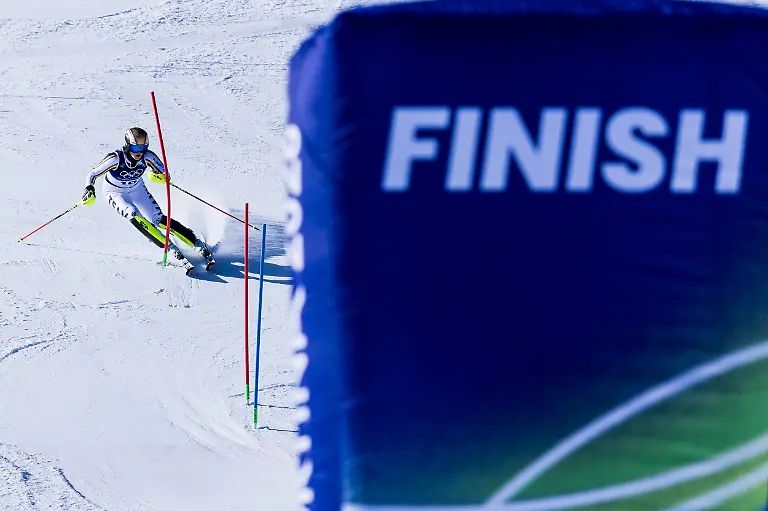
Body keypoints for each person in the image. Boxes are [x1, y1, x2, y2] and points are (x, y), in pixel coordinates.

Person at [81, 127, 214, 274]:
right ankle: (169, 248)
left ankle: (196, 243)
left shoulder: (148, 157)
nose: (139, 151)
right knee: (133, 214)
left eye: (143, 147)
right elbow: (93, 173)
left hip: (137, 189)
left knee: (158, 219)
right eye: (135, 147)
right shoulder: (115, 158)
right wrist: (89, 189)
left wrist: (160, 176)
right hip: (114, 191)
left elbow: (164, 172)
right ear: (127, 145)